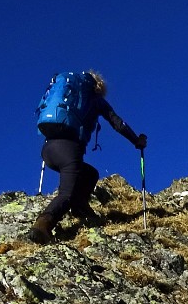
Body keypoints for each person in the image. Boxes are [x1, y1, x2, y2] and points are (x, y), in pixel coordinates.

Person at [30, 70, 147, 244]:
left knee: (90, 174)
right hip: (69, 149)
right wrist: (136, 140)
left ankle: (80, 207)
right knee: (66, 194)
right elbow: (118, 123)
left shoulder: (64, 95)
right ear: (98, 87)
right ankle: (42, 226)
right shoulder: (95, 98)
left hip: (48, 150)